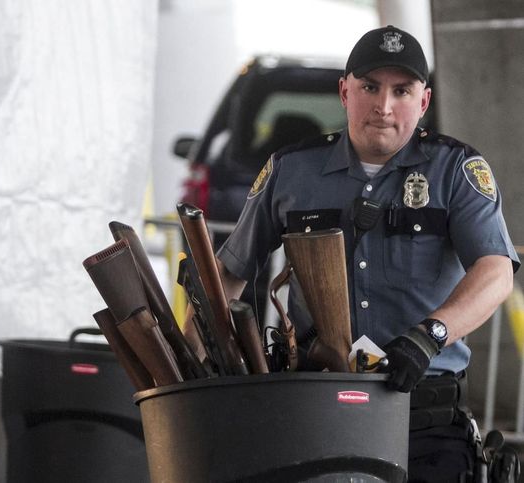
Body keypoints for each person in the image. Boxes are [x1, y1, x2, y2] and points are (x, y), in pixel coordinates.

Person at [215, 25, 520, 482]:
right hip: (313, 412)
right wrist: (197, 353)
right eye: (369, 87)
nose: (383, 106)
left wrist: (430, 334)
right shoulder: (291, 171)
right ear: (344, 91)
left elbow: (496, 271)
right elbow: (228, 272)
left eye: (402, 91)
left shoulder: (456, 170)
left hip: (425, 419)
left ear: (424, 101)